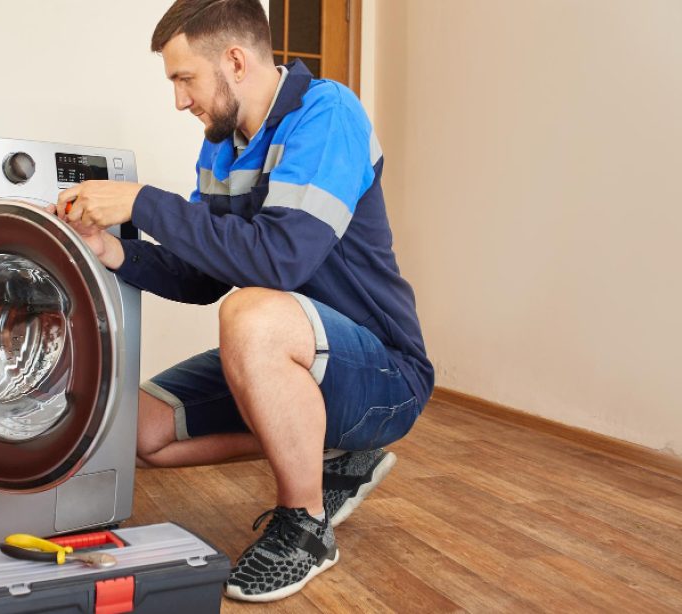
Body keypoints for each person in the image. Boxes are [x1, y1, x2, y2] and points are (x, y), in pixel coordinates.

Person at [49, 0, 432, 602]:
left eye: (184, 79)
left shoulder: (328, 114)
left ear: (234, 61)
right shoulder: (222, 149)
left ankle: (305, 526)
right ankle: (334, 454)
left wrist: (143, 202)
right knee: (137, 435)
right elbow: (202, 279)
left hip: (385, 372)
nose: (179, 100)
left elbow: (282, 260)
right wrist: (113, 253)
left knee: (250, 311)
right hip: (290, 353)